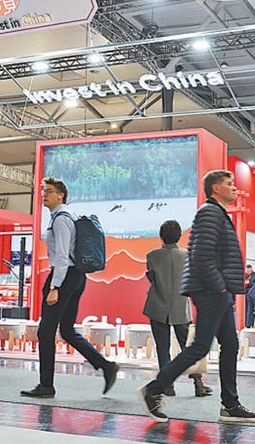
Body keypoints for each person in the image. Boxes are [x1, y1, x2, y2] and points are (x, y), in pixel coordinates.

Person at [138, 170, 255, 423]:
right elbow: (202, 256)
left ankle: (230, 404)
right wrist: (219, 287)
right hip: (212, 292)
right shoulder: (210, 213)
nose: (234, 188)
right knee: (200, 346)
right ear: (216, 188)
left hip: (219, 292)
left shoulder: (217, 214)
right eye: (229, 184)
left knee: (230, 345)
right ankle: (153, 390)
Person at [20, 176, 119, 398]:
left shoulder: (61, 219)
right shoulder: (66, 217)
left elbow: (63, 257)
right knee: (66, 330)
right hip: (75, 277)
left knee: (46, 331)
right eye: (44, 191)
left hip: (64, 277)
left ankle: (46, 385)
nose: (44, 194)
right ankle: (105, 366)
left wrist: (55, 286)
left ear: (61, 195)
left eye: (49, 191)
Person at [144, 219, 212, 397]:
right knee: (189, 348)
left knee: (162, 347)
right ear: (179, 236)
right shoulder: (188, 256)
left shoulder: (152, 256)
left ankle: (167, 385)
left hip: (157, 306)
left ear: (161, 236)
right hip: (181, 306)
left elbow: (151, 279)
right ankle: (198, 383)